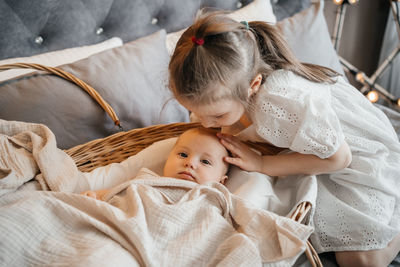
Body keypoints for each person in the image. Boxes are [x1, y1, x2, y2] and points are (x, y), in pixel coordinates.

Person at [167, 12, 400, 267]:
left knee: (361, 260)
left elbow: (340, 157)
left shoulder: (276, 103)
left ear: (253, 85)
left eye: (217, 116)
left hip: (354, 154)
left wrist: (262, 164)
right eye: (196, 112)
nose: (204, 123)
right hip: (317, 148)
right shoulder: (225, 95)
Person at [82, 127, 229, 200]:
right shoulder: (149, 180)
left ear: (221, 182)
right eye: (183, 154)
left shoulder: (213, 198)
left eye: (205, 161)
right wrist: (96, 195)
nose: (190, 163)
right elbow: (120, 192)